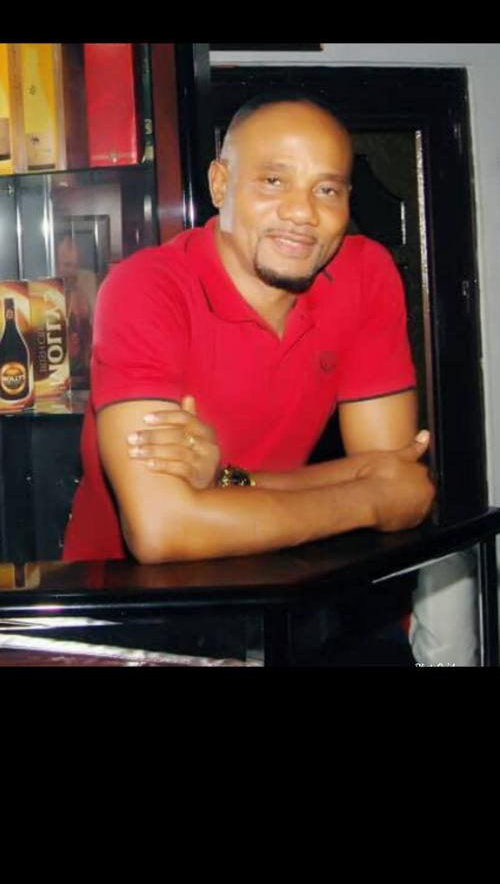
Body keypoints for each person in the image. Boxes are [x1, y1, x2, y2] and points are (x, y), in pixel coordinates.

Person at [64, 93, 434, 600]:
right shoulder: (146, 289)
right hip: (127, 606)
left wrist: (221, 482)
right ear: (220, 184)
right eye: (274, 181)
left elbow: (389, 473)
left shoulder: (365, 275)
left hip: (281, 586)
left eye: (327, 189)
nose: (302, 212)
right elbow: (162, 529)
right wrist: (367, 502)